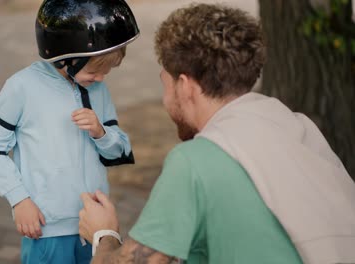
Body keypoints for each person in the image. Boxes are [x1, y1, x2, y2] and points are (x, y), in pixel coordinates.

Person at [78, 3, 355, 264]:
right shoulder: (296, 127)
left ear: (185, 86)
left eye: (165, 84)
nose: (164, 99)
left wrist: (104, 235)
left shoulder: (195, 160)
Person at [0, 0, 139, 263]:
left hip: (94, 224)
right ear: (66, 58)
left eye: (107, 72)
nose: (101, 79)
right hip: (46, 226)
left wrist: (101, 133)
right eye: (95, 71)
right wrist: (19, 200)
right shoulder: (21, 87)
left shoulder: (99, 90)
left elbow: (120, 149)